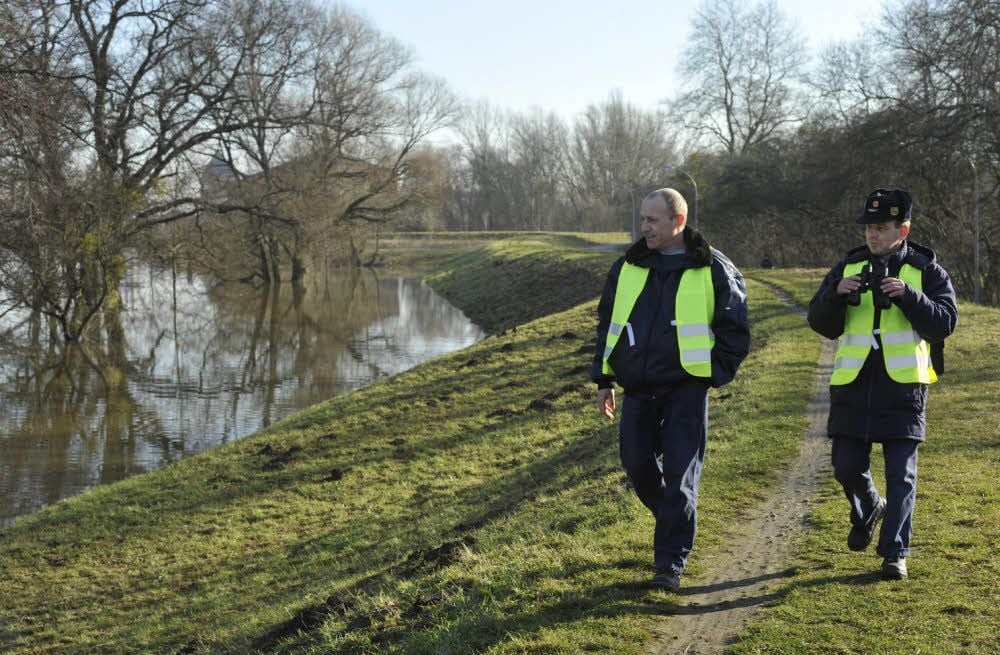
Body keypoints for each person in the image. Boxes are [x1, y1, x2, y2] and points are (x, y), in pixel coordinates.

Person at [591, 188, 750, 591]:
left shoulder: (713, 267)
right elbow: (609, 325)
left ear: (677, 222)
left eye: (652, 220)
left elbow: (735, 331)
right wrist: (604, 379)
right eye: (642, 219)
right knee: (637, 466)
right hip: (639, 389)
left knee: (681, 478)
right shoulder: (628, 266)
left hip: (686, 391)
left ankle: (669, 564)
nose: (644, 227)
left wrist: (711, 375)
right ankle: (676, 521)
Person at [807, 188, 957, 580]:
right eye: (870, 227)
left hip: (904, 388)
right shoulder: (848, 267)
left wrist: (910, 297)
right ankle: (870, 507)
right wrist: (835, 297)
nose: (873, 235)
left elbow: (945, 323)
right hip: (852, 385)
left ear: (902, 229)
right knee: (846, 467)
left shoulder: (927, 270)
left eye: (882, 227)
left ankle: (895, 553)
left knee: (901, 475)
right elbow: (820, 322)